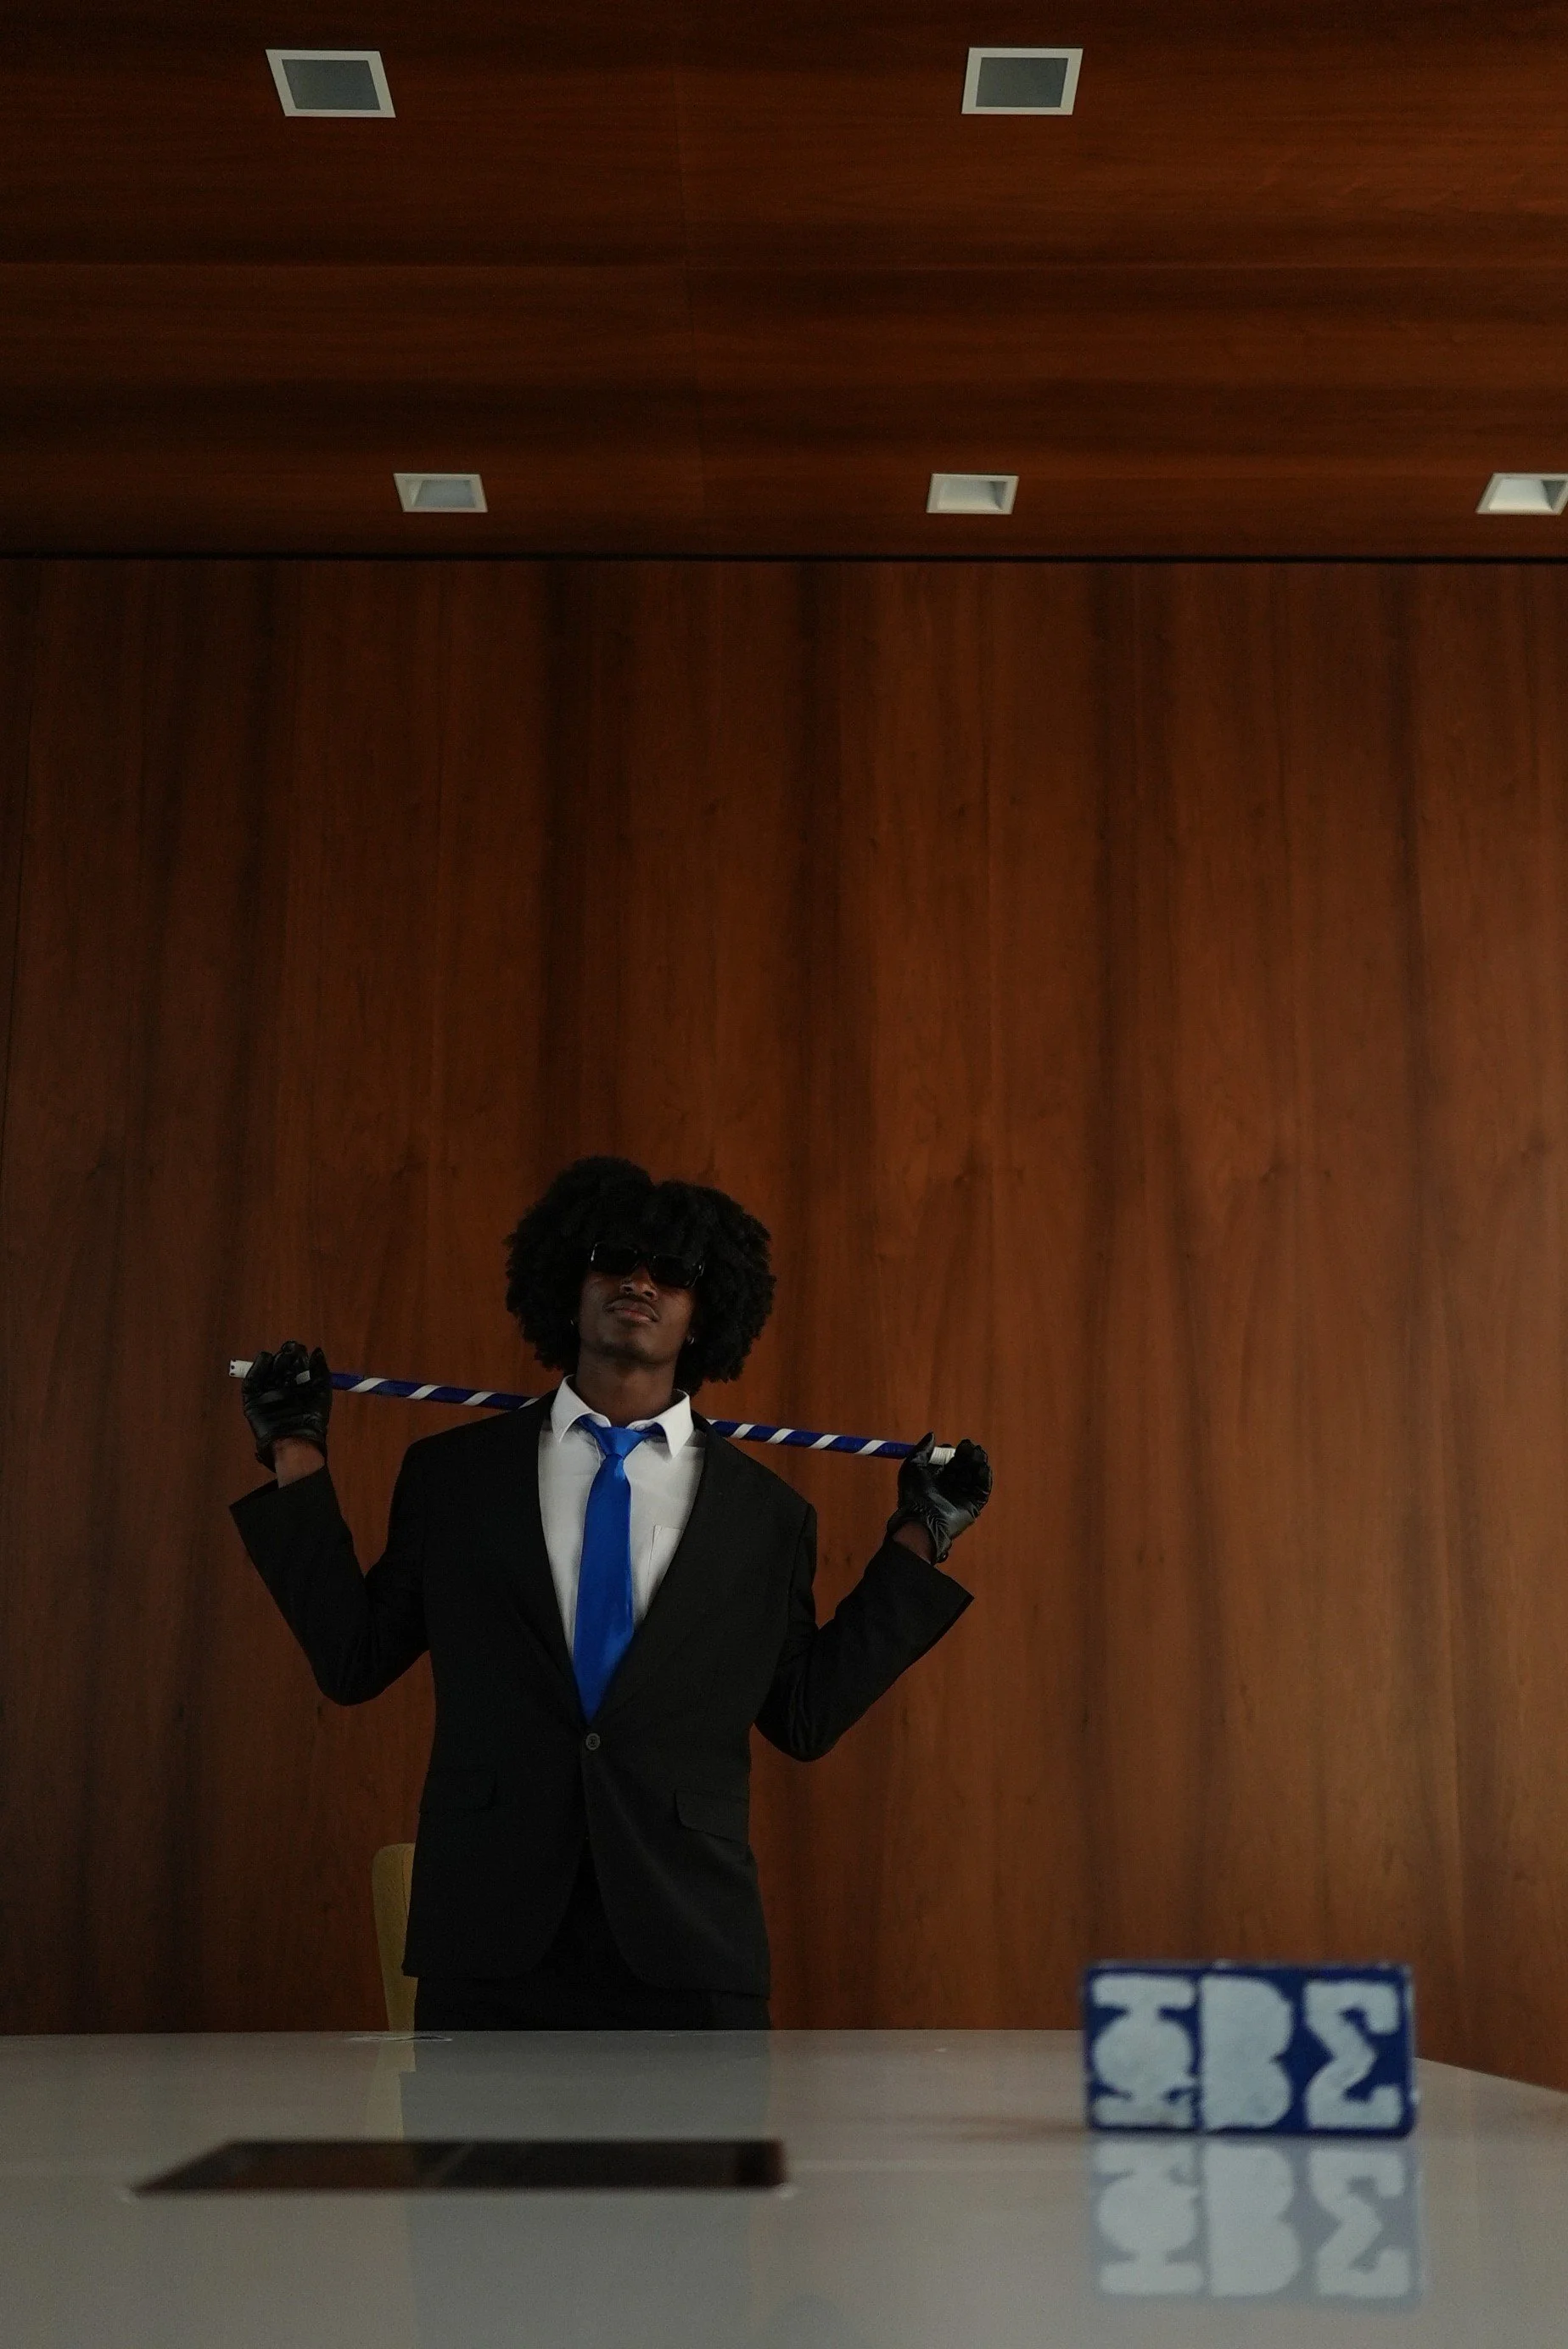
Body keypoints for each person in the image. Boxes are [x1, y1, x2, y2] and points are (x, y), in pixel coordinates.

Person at [232, 1156, 992, 2029]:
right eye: (613, 1258)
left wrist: (921, 1535)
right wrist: (295, 1450)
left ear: (706, 1312)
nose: (640, 1281)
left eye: (673, 1270)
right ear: (568, 1283)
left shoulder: (767, 1517)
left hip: (690, 1945)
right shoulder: (454, 1479)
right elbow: (353, 1658)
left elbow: (804, 1714)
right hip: (486, 1940)